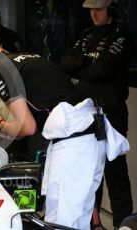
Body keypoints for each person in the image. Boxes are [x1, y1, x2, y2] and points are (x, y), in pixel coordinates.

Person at [0, 27, 129, 229]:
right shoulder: (25, 58)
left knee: (63, 222)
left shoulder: (1, 70)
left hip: (76, 144)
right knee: (73, 219)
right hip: (85, 138)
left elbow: (27, 127)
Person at [60, 0, 133, 228]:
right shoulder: (86, 34)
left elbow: (102, 70)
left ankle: (124, 224)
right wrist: (87, 62)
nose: (94, 14)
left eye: (99, 9)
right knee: (90, 173)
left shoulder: (121, 37)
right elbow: (65, 63)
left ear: (110, 10)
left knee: (116, 174)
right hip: (87, 113)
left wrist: (82, 66)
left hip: (111, 113)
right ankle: (93, 224)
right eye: (91, 9)